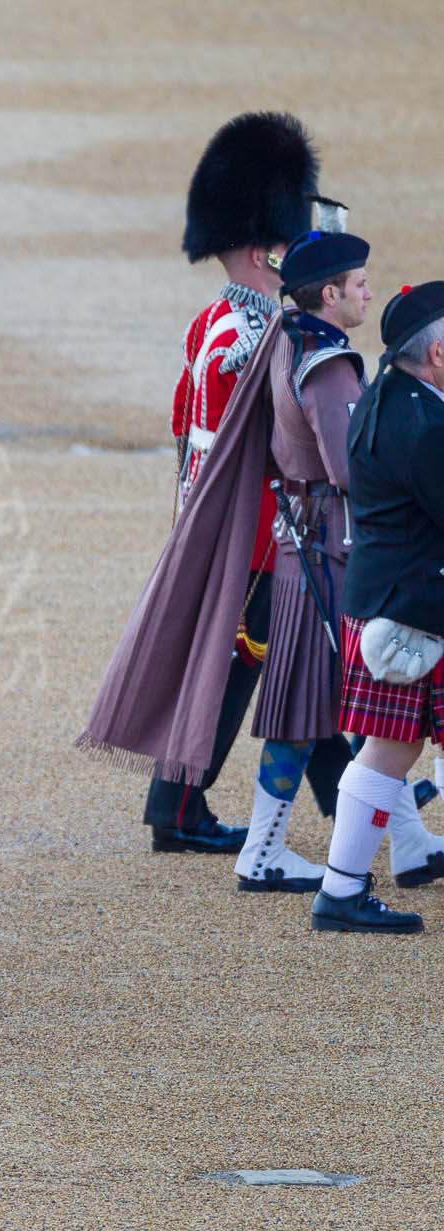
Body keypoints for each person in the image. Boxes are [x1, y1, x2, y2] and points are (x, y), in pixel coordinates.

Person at [236, 230, 444, 890]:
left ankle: (406, 848)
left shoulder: (297, 341)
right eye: (357, 283)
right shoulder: (327, 365)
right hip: (326, 548)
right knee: (309, 712)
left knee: (382, 726)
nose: (366, 291)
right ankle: (264, 852)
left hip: (326, 545)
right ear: (329, 294)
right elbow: (353, 469)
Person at [147, 112, 324, 856]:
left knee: (269, 665)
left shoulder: (213, 322)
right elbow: (246, 443)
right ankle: (181, 809)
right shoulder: (249, 337)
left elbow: (180, 422)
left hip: (229, 522)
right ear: (262, 250)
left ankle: (179, 804)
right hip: (249, 530)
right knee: (238, 668)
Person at [304, 282, 444, 935]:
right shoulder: (423, 425)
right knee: (389, 748)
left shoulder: (384, 399)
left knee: (390, 747)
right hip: (414, 611)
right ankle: (339, 893)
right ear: (437, 354)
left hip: (389, 598)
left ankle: (340, 890)